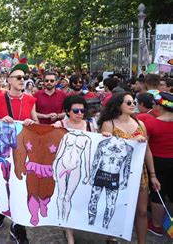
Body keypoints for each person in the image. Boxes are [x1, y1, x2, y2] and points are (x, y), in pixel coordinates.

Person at [98, 92, 160, 244]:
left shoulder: (140, 124)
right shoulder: (109, 124)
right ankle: (112, 238)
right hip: (116, 173)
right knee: (115, 208)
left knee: (142, 211)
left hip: (140, 172)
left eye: (133, 102)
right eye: (128, 102)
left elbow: (147, 150)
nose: (133, 105)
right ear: (118, 104)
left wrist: (152, 175)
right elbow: (107, 150)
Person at [0, 63, 38, 244]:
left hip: (22, 150)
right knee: (3, 182)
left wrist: (32, 122)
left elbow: (37, 124)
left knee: (20, 185)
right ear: (9, 81)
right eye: (18, 77)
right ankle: (1, 211)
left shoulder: (30, 99)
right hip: (3, 149)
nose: (22, 80)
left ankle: (18, 226)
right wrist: (0, 120)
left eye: (24, 78)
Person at [53, 95, 96, 244]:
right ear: (68, 111)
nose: (79, 114)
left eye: (82, 111)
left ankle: (68, 223)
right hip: (61, 166)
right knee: (61, 195)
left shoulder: (90, 126)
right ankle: (64, 224)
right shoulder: (60, 124)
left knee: (70, 197)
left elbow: (92, 150)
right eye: (76, 110)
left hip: (77, 168)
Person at [142, 91, 173, 236]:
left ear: (160, 107)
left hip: (157, 161)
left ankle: (156, 225)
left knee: (157, 191)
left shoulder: (151, 123)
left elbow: (144, 146)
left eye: (155, 104)